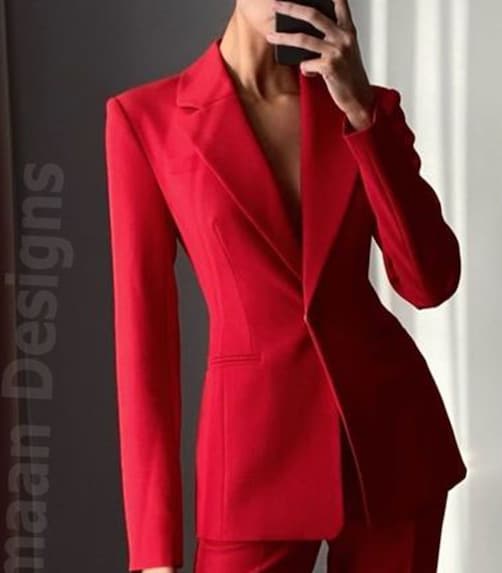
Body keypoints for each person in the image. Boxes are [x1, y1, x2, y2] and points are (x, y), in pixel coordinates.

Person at [104, 0, 468, 571]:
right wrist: (153, 550)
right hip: (251, 467)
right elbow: (144, 349)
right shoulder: (145, 120)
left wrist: (360, 112)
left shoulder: (365, 108)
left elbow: (429, 281)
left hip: (392, 451)